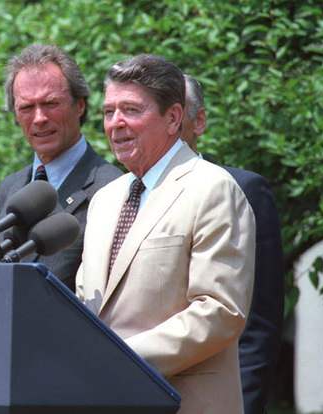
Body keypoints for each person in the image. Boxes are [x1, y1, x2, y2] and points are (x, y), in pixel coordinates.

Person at [76, 54, 256, 414]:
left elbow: (219, 311)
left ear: (174, 118)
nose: (116, 123)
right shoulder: (104, 199)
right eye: (108, 112)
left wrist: (122, 358)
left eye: (130, 109)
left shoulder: (213, 188)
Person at [183, 73, 284, 414]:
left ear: (199, 121)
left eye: (175, 113)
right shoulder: (121, 196)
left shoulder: (242, 189)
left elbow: (258, 321)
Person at [0, 43, 122, 291]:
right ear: (15, 115)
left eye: (51, 103)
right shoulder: (8, 188)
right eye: (27, 107)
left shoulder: (112, 188)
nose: (40, 118)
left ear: (80, 105)